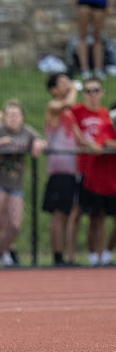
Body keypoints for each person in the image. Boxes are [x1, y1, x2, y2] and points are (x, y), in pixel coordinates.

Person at [0, 100, 46, 267]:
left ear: (22, 117)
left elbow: (40, 140)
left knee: (15, 223)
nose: (13, 118)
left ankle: (1, 251)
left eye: (16, 115)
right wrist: (0, 143)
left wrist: (39, 143)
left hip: (15, 183)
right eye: (10, 115)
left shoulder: (26, 132)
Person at [70, 76, 116, 266]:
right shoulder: (77, 110)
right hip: (85, 170)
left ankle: (103, 254)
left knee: (101, 217)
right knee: (83, 215)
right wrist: (86, 142)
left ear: (102, 92)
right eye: (88, 91)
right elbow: (100, 141)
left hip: (107, 176)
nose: (92, 94)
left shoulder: (106, 114)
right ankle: (74, 257)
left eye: (96, 90)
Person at [42, 72, 83, 266]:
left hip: (73, 169)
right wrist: (74, 89)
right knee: (59, 213)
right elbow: (67, 103)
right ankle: (57, 256)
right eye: (62, 83)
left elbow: (80, 139)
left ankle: (69, 255)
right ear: (54, 90)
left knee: (72, 212)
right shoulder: (54, 107)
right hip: (59, 169)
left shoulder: (69, 113)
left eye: (68, 81)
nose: (67, 85)